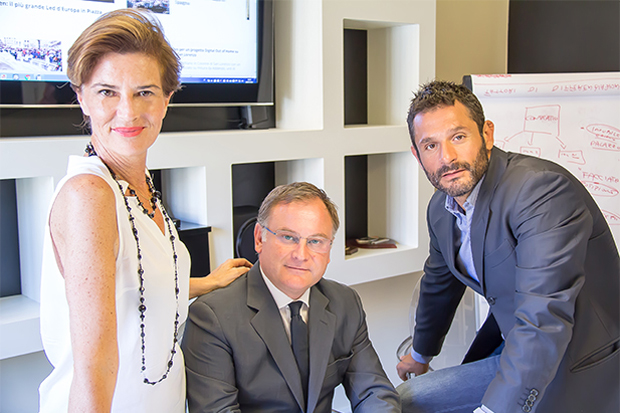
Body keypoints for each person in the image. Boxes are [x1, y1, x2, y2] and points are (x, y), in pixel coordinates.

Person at [38, 9, 251, 412]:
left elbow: (129, 289)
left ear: (167, 100)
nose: (129, 111)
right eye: (107, 92)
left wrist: (203, 283)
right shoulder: (89, 194)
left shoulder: (137, 184)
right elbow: (94, 368)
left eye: (145, 92)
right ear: (82, 97)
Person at [395, 80, 620, 413]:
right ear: (417, 155)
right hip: (514, 347)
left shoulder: (540, 192)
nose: (447, 157)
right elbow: (439, 284)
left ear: (486, 134)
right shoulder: (441, 208)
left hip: (577, 361)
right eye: (431, 145)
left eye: (458, 137)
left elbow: (543, 317)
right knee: (404, 401)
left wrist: (493, 410)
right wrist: (420, 354)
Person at [182, 182, 401, 413]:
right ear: (259, 238)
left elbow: (374, 391)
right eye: (288, 237)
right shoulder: (211, 317)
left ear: (329, 250)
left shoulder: (345, 302)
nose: (301, 255)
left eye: (315, 241)